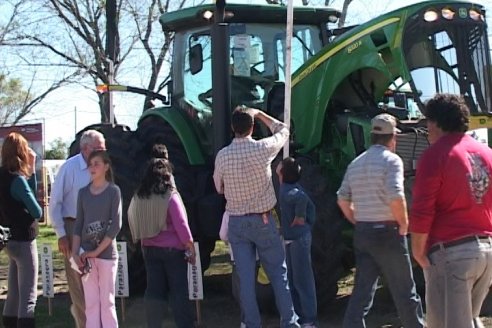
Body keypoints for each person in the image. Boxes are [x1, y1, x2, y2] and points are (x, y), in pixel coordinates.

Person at [409, 94, 492, 328]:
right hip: (485, 250)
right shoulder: (486, 153)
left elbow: (422, 209)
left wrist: (417, 251)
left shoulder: (436, 155)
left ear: (435, 122)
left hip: (452, 253)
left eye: (427, 122)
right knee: (470, 320)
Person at [213, 106, 299, 328]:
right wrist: (260, 114)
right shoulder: (263, 148)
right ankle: (289, 323)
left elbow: (218, 187)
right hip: (262, 220)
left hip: (237, 222)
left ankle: (251, 323)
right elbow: (283, 130)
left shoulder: (222, 156)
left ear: (233, 128)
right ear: (252, 127)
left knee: (246, 280)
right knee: (278, 274)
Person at [337, 113, 424, 328]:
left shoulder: (356, 163)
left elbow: (341, 198)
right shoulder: (392, 160)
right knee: (405, 291)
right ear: (393, 137)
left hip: (364, 233)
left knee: (362, 292)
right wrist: (403, 224)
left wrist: (356, 219)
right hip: (388, 232)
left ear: (372, 136)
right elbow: (396, 194)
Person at [128, 157, 196, 328]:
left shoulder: (139, 196)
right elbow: (181, 223)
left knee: (154, 291)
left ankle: (154, 324)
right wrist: (189, 245)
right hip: (173, 250)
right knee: (179, 291)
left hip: (149, 249)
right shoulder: (170, 196)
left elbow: (132, 218)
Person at [48, 129, 106, 328]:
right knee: (80, 286)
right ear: (85, 148)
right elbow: (54, 203)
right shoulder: (69, 168)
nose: (103, 152)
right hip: (74, 229)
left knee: (99, 284)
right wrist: (62, 235)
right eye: (99, 148)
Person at [72, 150, 122, 328]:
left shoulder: (113, 191)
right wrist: (75, 254)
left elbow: (116, 226)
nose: (92, 167)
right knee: (91, 304)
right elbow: (78, 226)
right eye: (90, 164)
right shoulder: (83, 193)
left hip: (106, 255)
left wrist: (96, 251)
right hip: (87, 258)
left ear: (106, 167)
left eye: (97, 163)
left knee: (107, 302)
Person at [0, 132, 42, 328]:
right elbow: (36, 211)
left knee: (13, 295)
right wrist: (33, 172)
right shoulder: (18, 180)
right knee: (28, 297)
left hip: (8, 239)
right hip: (25, 240)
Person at [276, 157, 317, 328]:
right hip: (292, 239)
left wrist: (300, 216)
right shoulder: (288, 187)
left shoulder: (287, 191)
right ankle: (299, 316)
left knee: (302, 280)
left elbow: (301, 199)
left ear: (283, 172)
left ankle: (309, 319)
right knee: (292, 279)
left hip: (299, 238)